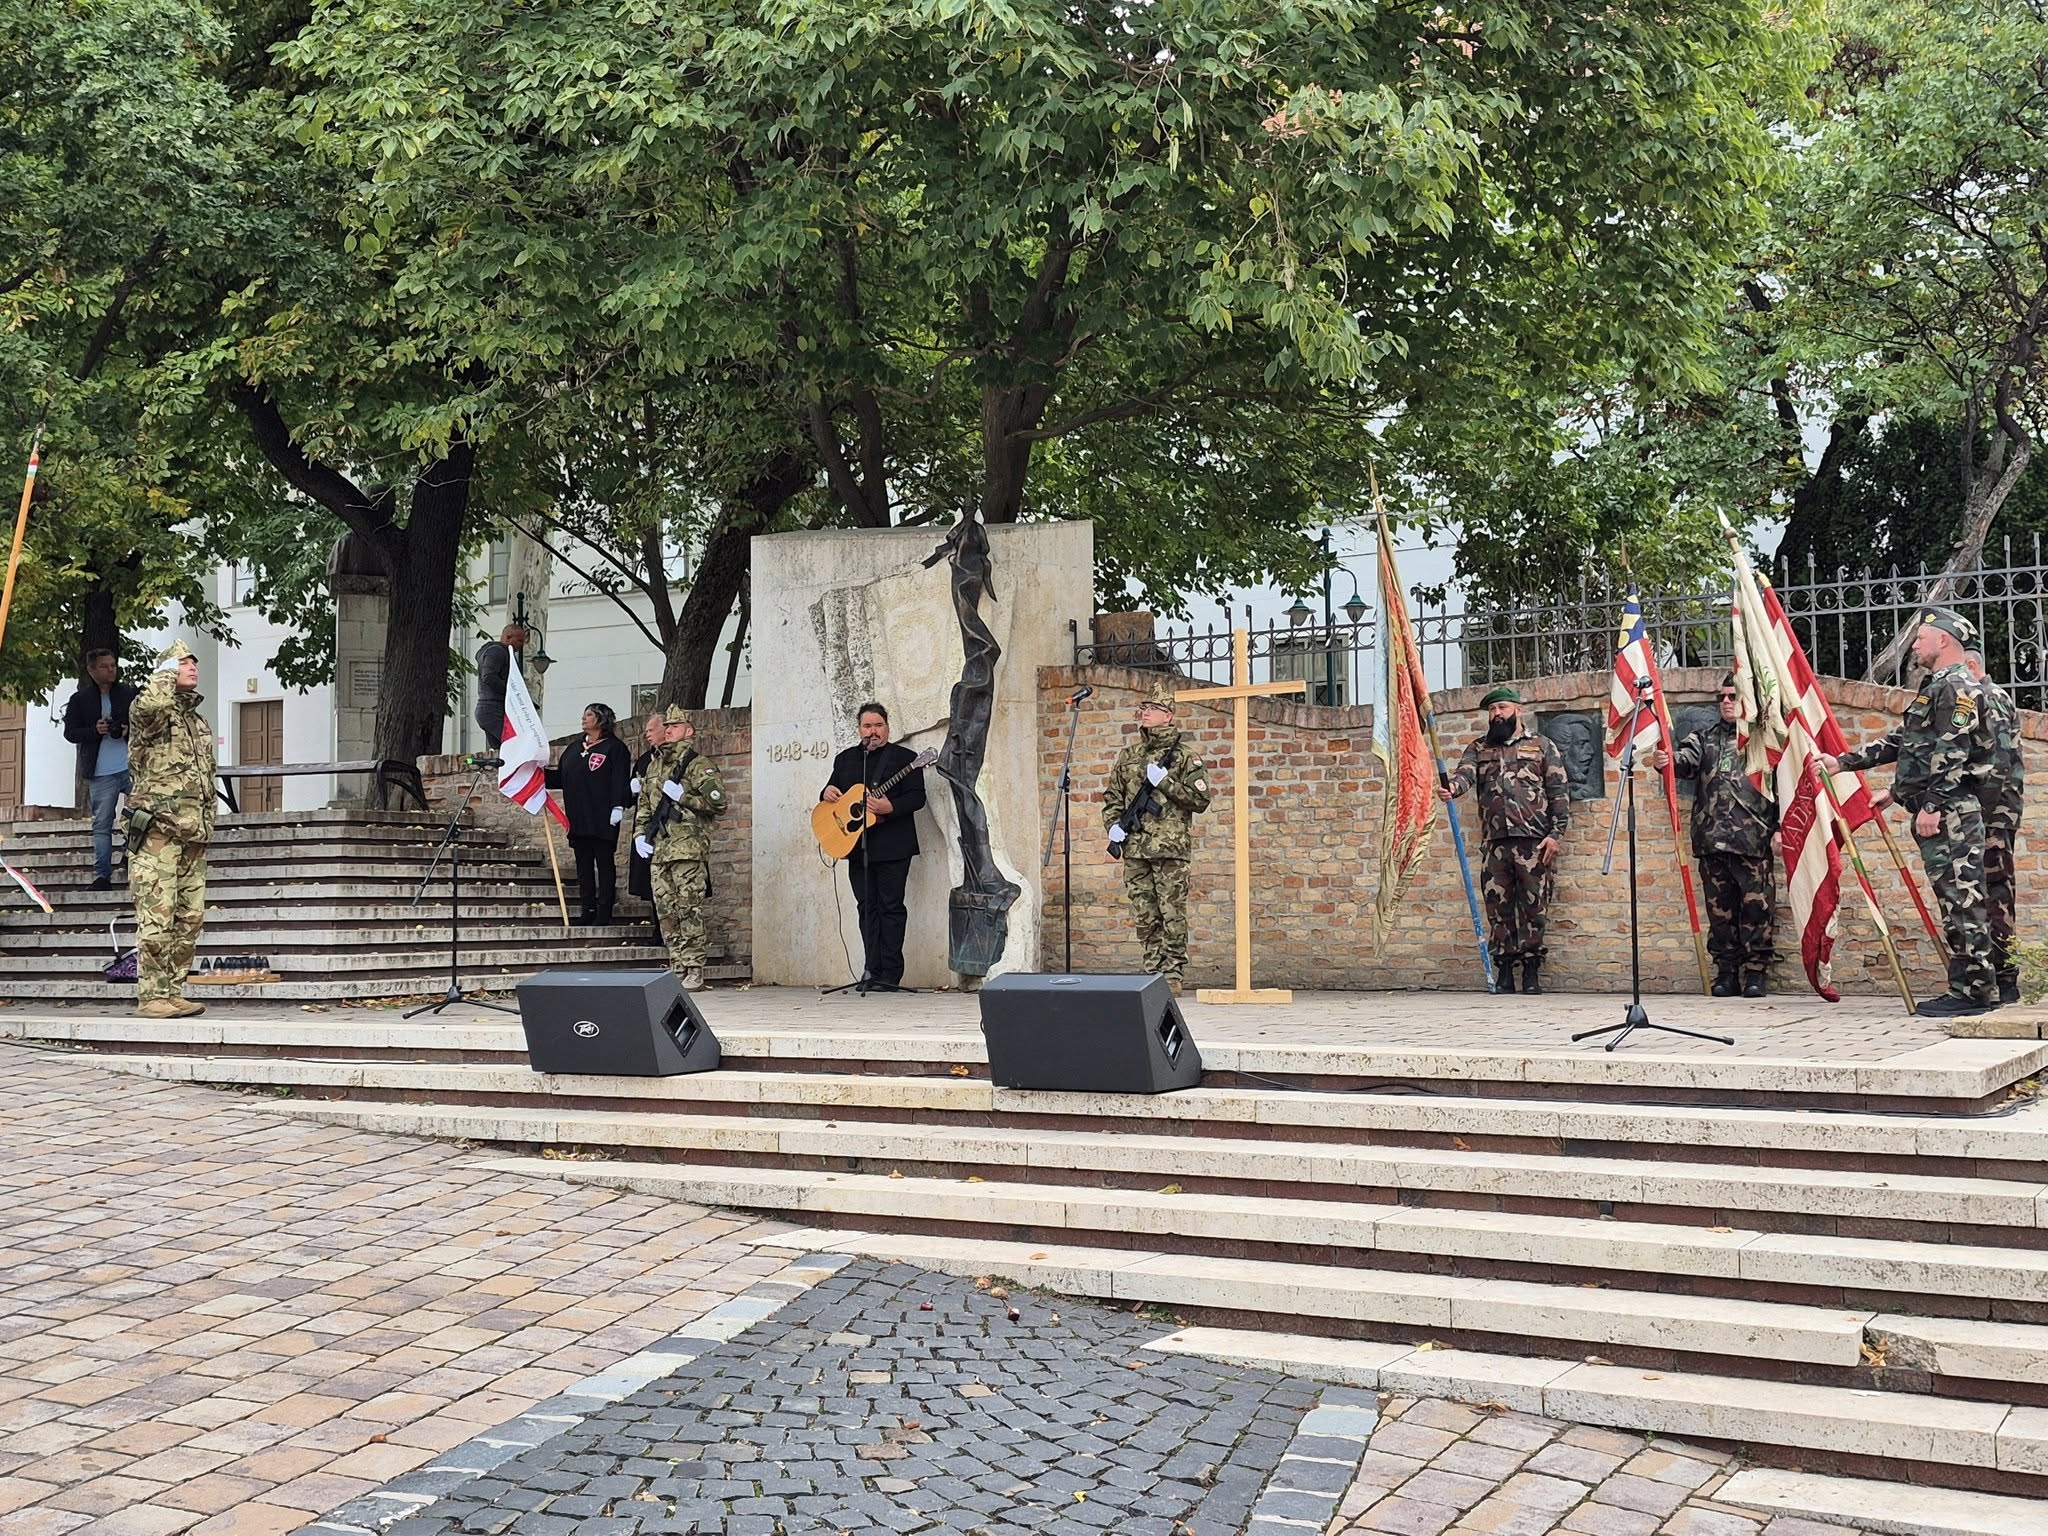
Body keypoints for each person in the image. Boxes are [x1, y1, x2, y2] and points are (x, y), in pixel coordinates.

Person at [1820, 607, 1999, 1016]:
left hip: (1951, 812)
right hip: (1944, 809)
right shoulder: (1937, 687)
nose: (1914, 645)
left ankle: (1973, 992)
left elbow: (1953, 752)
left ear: (1944, 640)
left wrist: (1932, 804)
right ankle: (1970, 988)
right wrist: (1846, 764)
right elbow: (1910, 743)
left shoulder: (1957, 687)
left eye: (1920, 638)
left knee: (1962, 900)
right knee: (1954, 899)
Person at [1652, 674, 1780, 998]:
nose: (1725, 702)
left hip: (1752, 841)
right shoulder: (1704, 738)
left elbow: (1784, 787)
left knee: (1756, 909)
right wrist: (1665, 760)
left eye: (1732, 696)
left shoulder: (1764, 741)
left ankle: (1755, 973)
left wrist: (1779, 829)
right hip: (1712, 840)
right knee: (1720, 913)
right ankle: (1726, 973)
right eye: (1721, 697)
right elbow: (1684, 763)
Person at [1441, 685, 1569, 996]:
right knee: (1498, 908)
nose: (1497, 714)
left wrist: (1555, 835)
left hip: (1534, 842)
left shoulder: (1541, 746)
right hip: (1496, 843)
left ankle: (1531, 971)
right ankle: (1505, 970)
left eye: (1502, 707)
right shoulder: (1479, 747)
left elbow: (1559, 792)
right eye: (1492, 709)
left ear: (1517, 710)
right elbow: (1465, 775)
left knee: (1534, 907)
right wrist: (1452, 789)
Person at [1101, 680, 1211, 994]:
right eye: (1144, 708)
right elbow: (1113, 797)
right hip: (1136, 848)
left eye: (1153, 708)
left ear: (1168, 715)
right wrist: (1113, 825)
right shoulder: (1129, 755)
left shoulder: (1185, 757)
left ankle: (1172, 974)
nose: (1146, 713)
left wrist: (1166, 783)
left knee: (1171, 913)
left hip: (1170, 849)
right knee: (1144, 914)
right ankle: (1153, 971)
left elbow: (1200, 800)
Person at [127, 640, 215, 1019]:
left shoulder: (197, 720)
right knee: (157, 917)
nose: (192, 666)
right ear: (164, 672)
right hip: (157, 833)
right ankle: (152, 995)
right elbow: (151, 706)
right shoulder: (149, 713)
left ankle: (172, 990)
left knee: (189, 917)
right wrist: (164, 673)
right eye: (182, 662)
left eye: (194, 661)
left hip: (193, 833)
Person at [820, 701, 928, 989]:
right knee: (866, 908)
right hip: (857, 847)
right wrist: (826, 792)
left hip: (894, 846)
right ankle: (871, 970)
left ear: (887, 727)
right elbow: (831, 793)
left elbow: (917, 797)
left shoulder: (906, 758)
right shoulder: (845, 760)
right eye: (867, 726)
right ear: (859, 729)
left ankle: (890, 975)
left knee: (891, 908)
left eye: (878, 725)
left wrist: (889, 806)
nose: (873, 731)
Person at [635, 704, 726, 991]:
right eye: (667, 726)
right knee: (666, 912)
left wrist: (684, 796)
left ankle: (694, 968)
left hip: (687, 849)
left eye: (675, 726)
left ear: (688, 731)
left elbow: (718, 803)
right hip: (660, 851)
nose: (669, 730)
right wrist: (639, 836)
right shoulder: (654, 767)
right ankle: (676, 965)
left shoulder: (698, 765)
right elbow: (644, 807)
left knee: (689, 909)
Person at [1966, 648, 2027, 1004]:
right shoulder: (1984, 698)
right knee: (1989, 891)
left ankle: (2004, 979)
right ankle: (1994, 976)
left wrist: (1981, 813)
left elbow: (1998, 764)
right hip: (1992, 812)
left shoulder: (1991, 698)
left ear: (1973, 665)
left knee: (1996, 893)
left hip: (1995, 814)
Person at [61, 648, 138, 890]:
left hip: (132, 767)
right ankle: (103, 876)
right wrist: (94, 731)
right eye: (104, 666)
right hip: (101, 772)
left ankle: (130, 856)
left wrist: (127, 730)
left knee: (142, 815)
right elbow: (70, 733)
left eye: (113, 665)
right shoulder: (80, 700)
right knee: (102, 825)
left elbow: (146, 723)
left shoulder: (129, 693)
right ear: (91, 670)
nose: (111, 670)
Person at [550, 702, 633, 926]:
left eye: (589, 714)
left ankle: (604, 911)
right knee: (583, 865)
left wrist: (618, 806)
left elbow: (619, 779)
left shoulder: (615, 748)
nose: (583, 718)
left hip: (603, 817)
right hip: (578, 816)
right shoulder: (573, 749)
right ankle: (587, 909)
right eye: (584, 714)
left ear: (601, 719)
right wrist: (536, 774)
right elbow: (560, 778)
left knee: (604, 864)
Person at [628, 710, 665, 936]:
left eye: (652, 729)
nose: (647, 734)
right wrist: (631, 790)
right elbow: (630, 799)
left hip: (669, 828)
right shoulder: (644, 760)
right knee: (651, 882)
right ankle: (657, 928)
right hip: (646, 827)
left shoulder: (677, 759)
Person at [472, 624, 528, 749]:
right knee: (516, 744)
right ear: (508, 637)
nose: (522, 645)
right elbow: (489, 677)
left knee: (504, 749)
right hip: (493, 709)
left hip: (490, 709)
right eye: (519, 641)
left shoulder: (495, 652)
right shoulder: (497, 651)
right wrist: (511, 692)